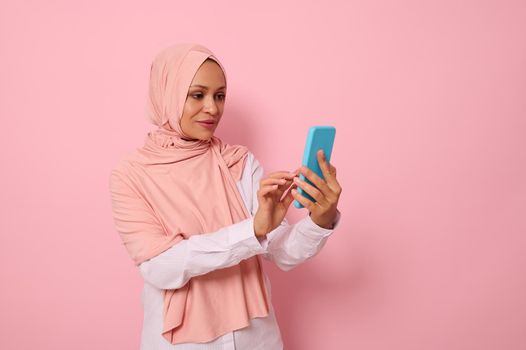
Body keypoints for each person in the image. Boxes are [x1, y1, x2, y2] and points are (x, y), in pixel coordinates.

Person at [108, 43, 342, 350]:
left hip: (256, 338)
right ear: (168, 93)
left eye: (220, 96)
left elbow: (282, 253)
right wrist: (252, 230)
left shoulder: (239, 162)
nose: (213, 108)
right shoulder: (131, 174)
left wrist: (319, 220)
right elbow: (161, 266)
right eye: (197, 94)